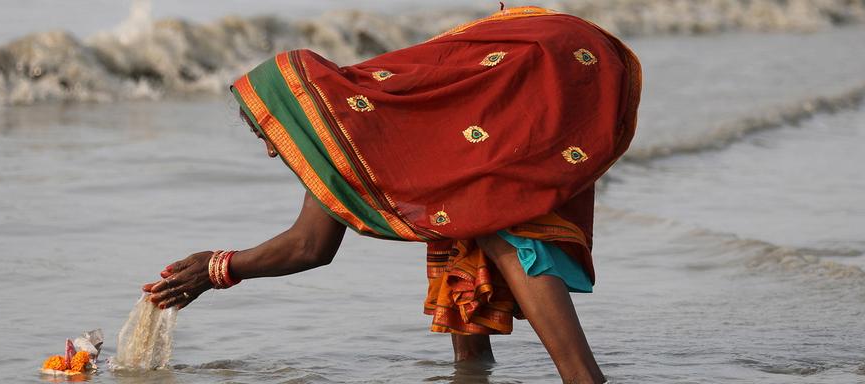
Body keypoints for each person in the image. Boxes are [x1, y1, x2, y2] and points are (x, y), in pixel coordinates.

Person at [142, 6, 641, 383]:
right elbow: (313, 243)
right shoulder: (347, 115)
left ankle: (583, 376)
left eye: (267, 135)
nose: (274, 151)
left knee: (496, 217)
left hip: (549, 64)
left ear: (289, 115)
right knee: (457, 221)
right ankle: (474, 372)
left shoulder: (339, 126)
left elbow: (308, 246)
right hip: (545, 50)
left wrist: (218, 269)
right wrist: (221, 268)